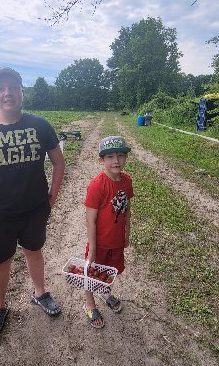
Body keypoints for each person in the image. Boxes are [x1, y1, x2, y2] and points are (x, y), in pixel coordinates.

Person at [0, 67, 65, 335]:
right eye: (0, 88)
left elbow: (58, 161)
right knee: (0, 263)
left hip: (34, 209)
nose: (7, 93)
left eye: (13, 87)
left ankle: (40, 293)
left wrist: (51, 198)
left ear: (22, 91)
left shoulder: (40, 125)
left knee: (34, 251)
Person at [83, 136, 133, 329]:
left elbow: (127, 209)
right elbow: (90, 219)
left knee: (111, 272)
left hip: (117, 241)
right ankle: (90, 303)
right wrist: (93, 248)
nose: (116, 161)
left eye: (121, 155)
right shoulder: (97, 185)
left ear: (126, 158)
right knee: (91, 273)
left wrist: (127, 234)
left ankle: (105, 291)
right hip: (100, 242)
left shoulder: (127, 181)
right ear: (101, 160)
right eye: (110, 156)